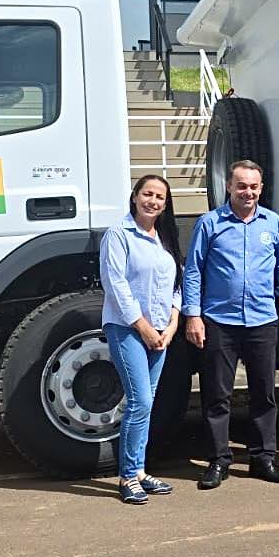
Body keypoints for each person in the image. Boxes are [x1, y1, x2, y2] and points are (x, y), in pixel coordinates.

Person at [183, 160, 279, 489]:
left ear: (261, 189)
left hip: (262, 321)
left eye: (253, 186)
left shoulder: (273, 223)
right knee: (217, 396)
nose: (247, 192)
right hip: (219, 322)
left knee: (264, 394)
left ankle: (263, 458)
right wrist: (192, 315)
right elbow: (193, 271)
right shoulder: (210, 224)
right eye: (241, 186)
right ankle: (218, 460)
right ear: (229, 187)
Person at [98, 174, 183, 504]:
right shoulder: (119, 234)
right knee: (140, 401)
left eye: (160, 197)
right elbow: (115, 284)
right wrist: (142, 327)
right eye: (148, 194)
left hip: (161, 331)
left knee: (147, 403)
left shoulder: (165, 238)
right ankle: (127, 477)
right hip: (127, 328)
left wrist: (173, 322)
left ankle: (140, 471)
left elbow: (176, 282)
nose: (153, 201)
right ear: (134, 197)